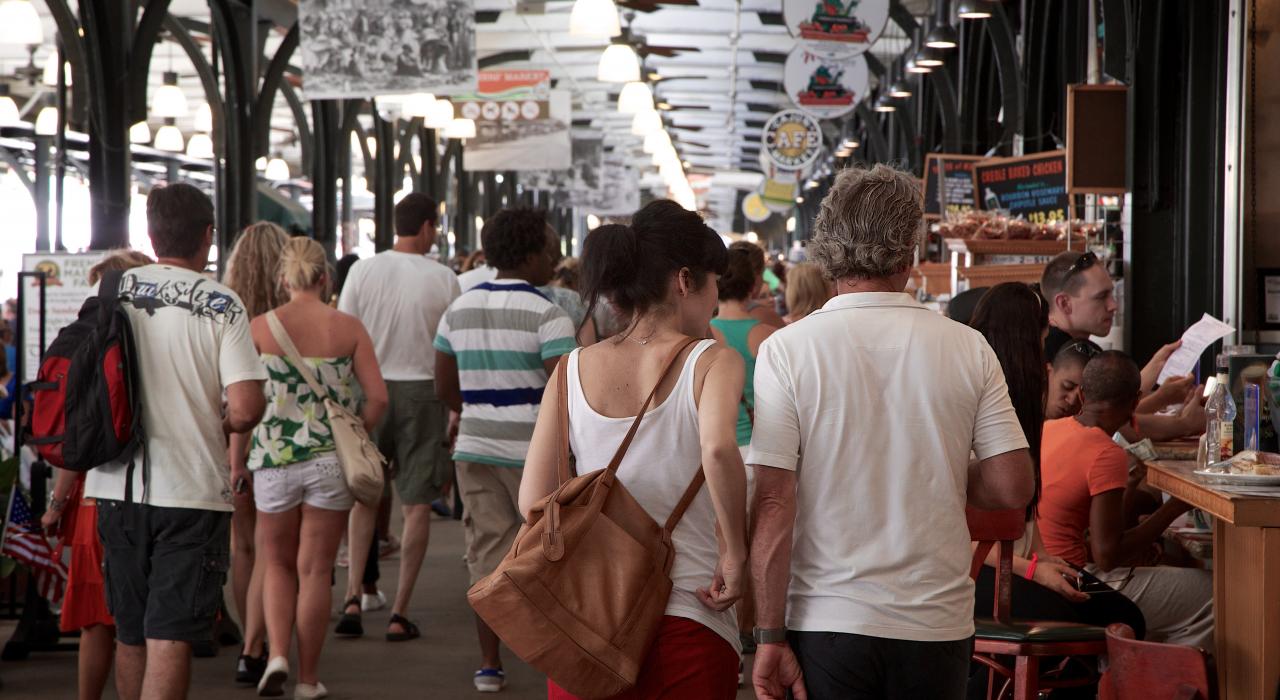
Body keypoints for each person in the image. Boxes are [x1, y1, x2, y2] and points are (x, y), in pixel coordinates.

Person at [747, 165, 1035, 700]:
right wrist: (939, 466)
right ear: (911, 250)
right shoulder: (967, 347)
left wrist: (767, 635)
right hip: (937, 621)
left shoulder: (788, 351)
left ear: (828, 244)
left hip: (826, 618)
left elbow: (771, 502)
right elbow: (1012, 486)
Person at [519, 201, 748, 699]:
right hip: (688, 612)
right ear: (685, 281)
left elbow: (531, 499)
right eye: (714, 283)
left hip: (586, 624)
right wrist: (734, 552)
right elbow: (718, 449)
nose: (715, 301)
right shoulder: (712, 360)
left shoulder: (572, 368)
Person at [85, 183, 267, 700]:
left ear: (151, 232)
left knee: (131, 631)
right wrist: (220, 420)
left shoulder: (110, 291)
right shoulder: (220, 302)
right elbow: (248, 407)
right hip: (190, 490)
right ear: (208, 235)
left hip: (117, 486)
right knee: (170, 635)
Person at [434, 208, 578, 692]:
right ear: (532, 254)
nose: (556, 260)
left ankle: (490, 663)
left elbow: (445, 388)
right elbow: (565, 394)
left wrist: (481, 409)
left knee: (486, 556)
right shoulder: (549, 315)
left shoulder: (458, 309)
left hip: (474, 451)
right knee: (550, 555)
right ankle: (555, 658)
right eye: (551, 250)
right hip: (535, 457)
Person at [244, 238, 388, 698]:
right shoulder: (347, 328)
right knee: (314, 570)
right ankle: (308, 678)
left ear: (284, 279)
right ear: (325, 277)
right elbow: (379, 398)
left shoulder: (259, 329)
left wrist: (235, 459)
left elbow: (240, 401)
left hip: (272, 462)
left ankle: (277, 655)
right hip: (329, 463)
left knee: (278, 565)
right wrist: (354, 432)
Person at [968, 285, 1145, 649]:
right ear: (1025, 344)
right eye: (1042, 340)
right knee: (1100, 618)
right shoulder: (980, 406)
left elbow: (1026, 525)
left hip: (1012, 563)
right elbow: (963, 538)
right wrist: (1036, 570)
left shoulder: (1022, 409)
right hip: (976, 573)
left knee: (1125, 616)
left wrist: (1047, 559)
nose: (1044, 358)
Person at [336, 192, 460, 641]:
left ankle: (352, 596)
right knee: (417, 505)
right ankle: (400, 612)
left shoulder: (363, 271)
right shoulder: (444, 278)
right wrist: (453, 406)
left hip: (369, 390)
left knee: (365, 494)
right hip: (424, 394)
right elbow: (451, 347)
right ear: (427, 227)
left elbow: (344, 331)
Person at [1038, 351, 1214, 650]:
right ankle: (1163, 687)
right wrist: (1174, 508)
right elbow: (1107, 555)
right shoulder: (1106, 452)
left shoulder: (1047, 429)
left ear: (1082, 393)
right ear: (1135, 402)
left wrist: (1131, 487)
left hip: (1039, 576)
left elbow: (1095, 530)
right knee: (1211, 593)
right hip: (1074, 582)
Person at [41, 250, 153, 700]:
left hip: (96, 498)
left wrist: (55, 505)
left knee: (97, 621)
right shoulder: (155, 339)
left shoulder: (93, 345)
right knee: (146, 622)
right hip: (158, 493)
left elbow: (75, 443)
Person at [223, 221, 292, 685]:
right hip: (281, 443)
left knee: (242, 546)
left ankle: (252, 639)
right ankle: (265, 636)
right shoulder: (288, 317)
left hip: (232, 435)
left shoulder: (226, 313)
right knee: (277, 549)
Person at [1039, 252, 1200, 441]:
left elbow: (1113, 413)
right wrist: (1184, 422)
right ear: (1064, 303)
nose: (1113, 305)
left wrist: (1159, 383)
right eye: (1101, 297)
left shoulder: (1073, 347)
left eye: (1112, 294)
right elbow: (1109, 424)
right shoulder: (1058, 354)